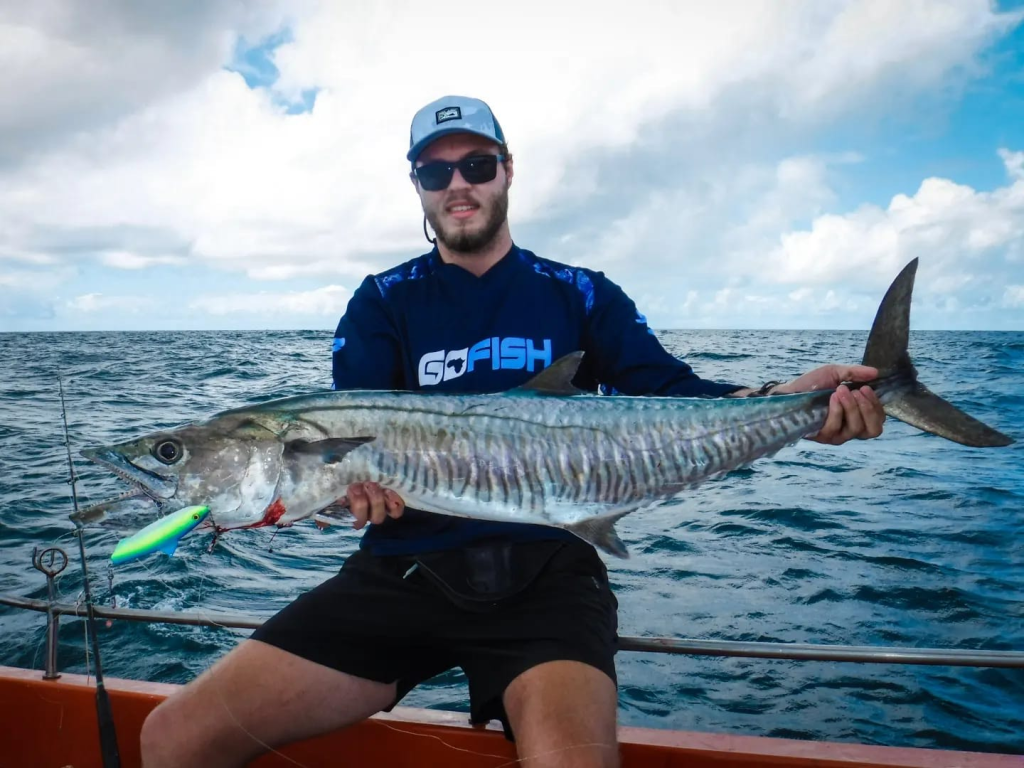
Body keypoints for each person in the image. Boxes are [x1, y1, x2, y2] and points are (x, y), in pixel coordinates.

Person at [140, 95, 885, 768]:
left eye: (475, 163)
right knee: (172, 738)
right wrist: (352, 497)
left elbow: (672, 395)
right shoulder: (382, 301)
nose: (457, 183)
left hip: (548, 580)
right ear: (419, 188)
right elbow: (348, 451)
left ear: (506, 171)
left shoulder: (582, 292)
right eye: (436, 172)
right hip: (403, 572)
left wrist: (788, 402)